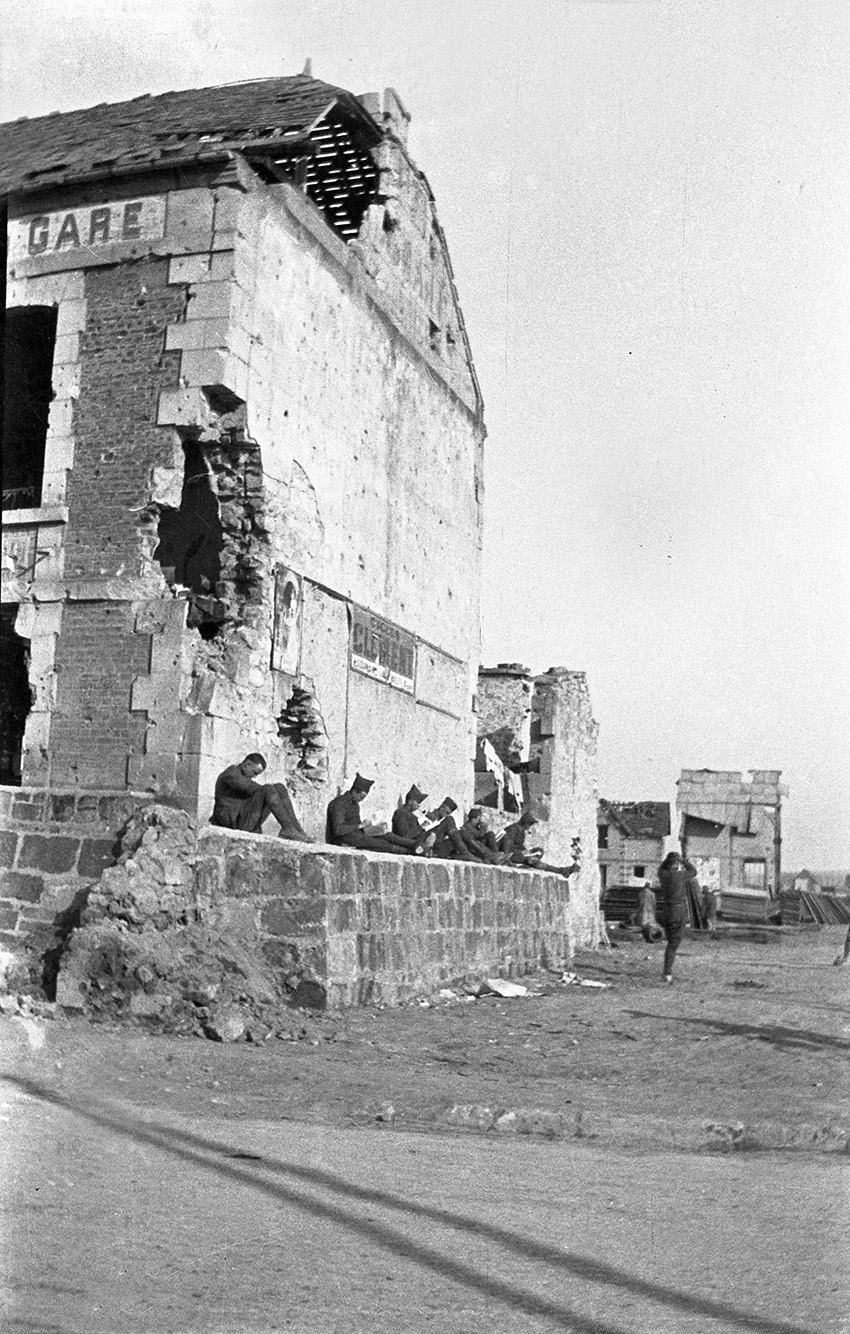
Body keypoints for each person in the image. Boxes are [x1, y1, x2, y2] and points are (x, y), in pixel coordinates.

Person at [211, 753, 311, 840]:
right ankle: (287, 828)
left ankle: (296, 830)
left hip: (241, 819)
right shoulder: (231, 773)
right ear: (247, 764)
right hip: (232, 823)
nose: (254, 777)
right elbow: (250, 787)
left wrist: (272, 791)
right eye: (255, 772)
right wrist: (269, 792)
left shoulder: (242, 775)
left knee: (279, 788)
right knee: (268, 789)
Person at [326, 774, 421, 853]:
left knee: (387, 835)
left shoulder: (355, 804)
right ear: (354, 791)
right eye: (361, 797)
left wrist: (371, 827)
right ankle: (413, 852)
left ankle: (416, 845)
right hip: (343, 838)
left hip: (357, 834)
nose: (361, 800)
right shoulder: (339, 803)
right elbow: (338, 829)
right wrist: (360, 826)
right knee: (380, 844)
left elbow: (357, 825)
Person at [657, 850, 699, 982]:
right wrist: (683, 860)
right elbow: (693, 871)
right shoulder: (680, 875)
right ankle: (667, 972)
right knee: (673, 944)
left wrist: (667, 859)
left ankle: (667, 971)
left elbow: (661, 868)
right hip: (678, 911)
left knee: (670, 942)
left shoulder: (663, 875)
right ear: (676, 864)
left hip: (666, 911)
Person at [499, 811, 580, 879]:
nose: (529, 827)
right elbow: (506, 847)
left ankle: (562, 870)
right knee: (534, 861)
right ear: (525, 823)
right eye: (529, 825)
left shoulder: (521, 830)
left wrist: (527, 851)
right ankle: (562, 871)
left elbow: (518, 845)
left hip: (517, 854)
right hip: (511, 856)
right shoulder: (513, 829)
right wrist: (520, 854)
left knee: (536, 858)